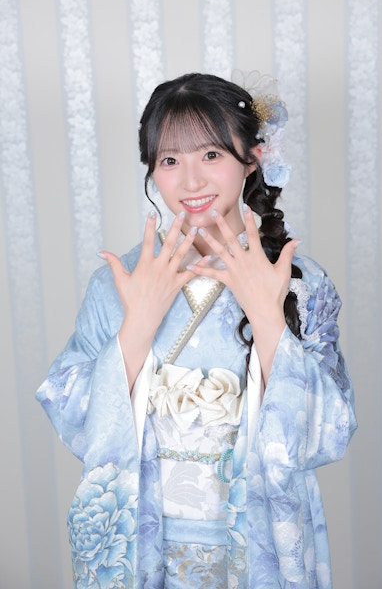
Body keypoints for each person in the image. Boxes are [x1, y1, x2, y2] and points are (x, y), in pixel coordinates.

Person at [36, 72, 357, 589]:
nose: (191, 181)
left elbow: (331, 429)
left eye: (210, 155)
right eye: (169, 160)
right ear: (152, 170)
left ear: (252, 158)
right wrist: (138, 324)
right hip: (147, 542)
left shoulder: (300, 282)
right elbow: (74, 416)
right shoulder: (116, 284)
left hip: (255, 544)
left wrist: (267, 316)